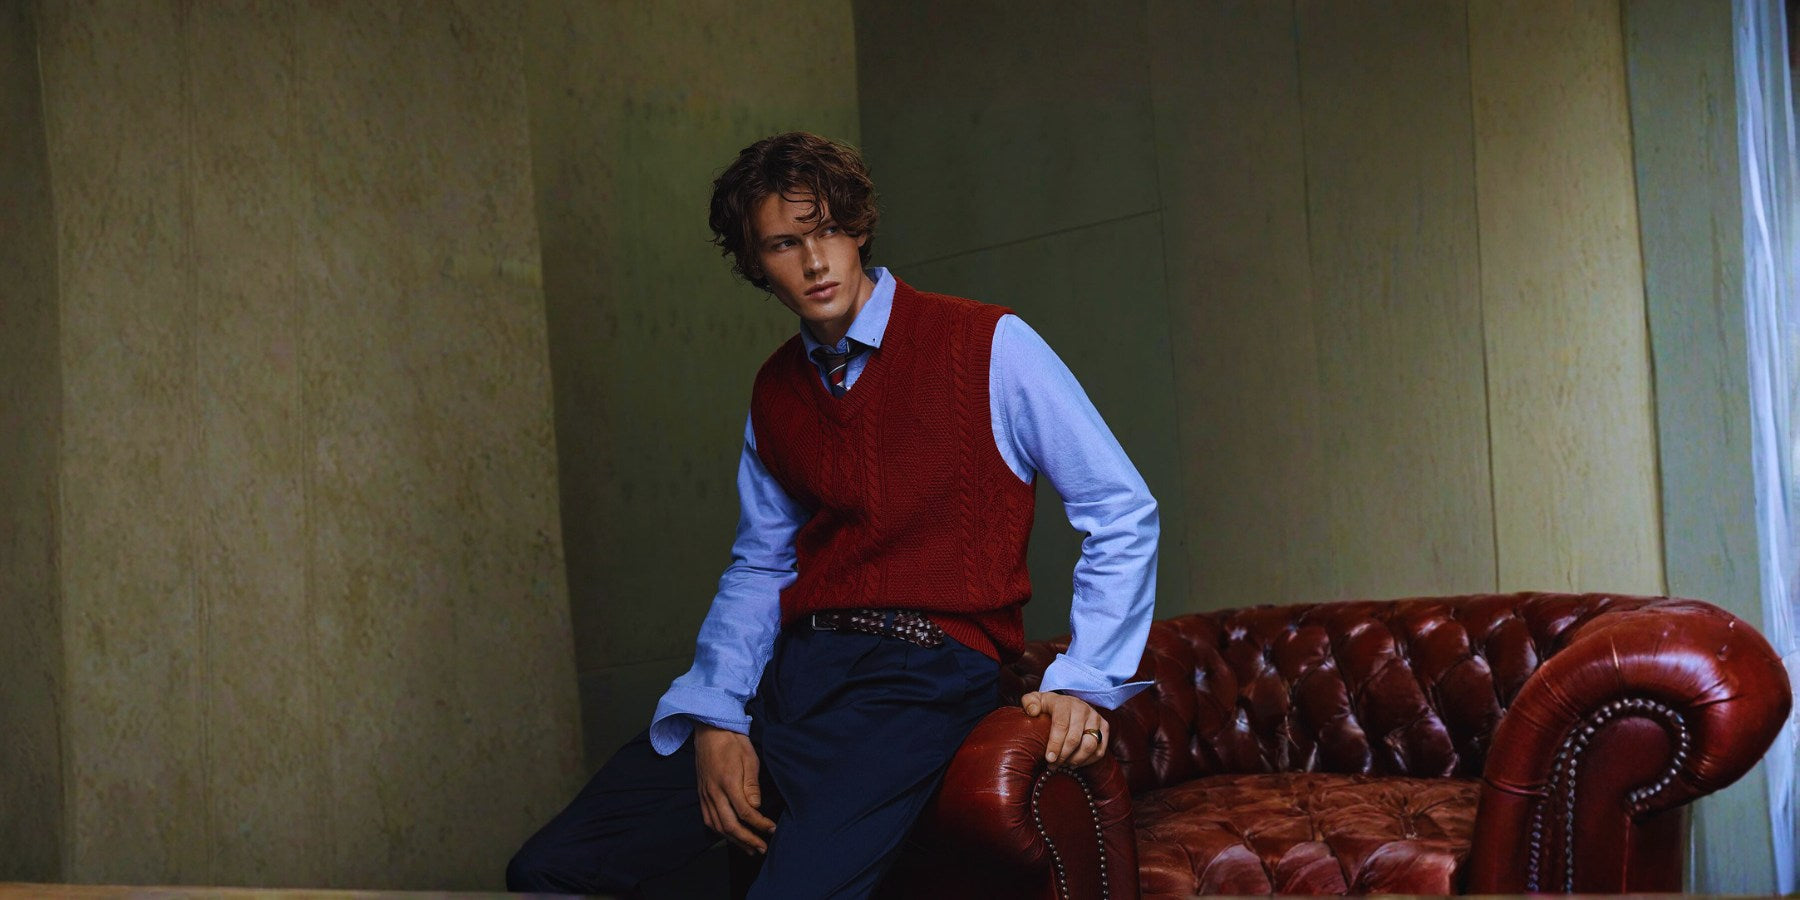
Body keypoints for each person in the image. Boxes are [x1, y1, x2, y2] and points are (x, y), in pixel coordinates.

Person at [506, 132, 1159, 898]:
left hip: (922, 678)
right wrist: (717, 714)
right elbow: (762, 565)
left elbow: (1119, 505)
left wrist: (1085, 679)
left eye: (828, 230)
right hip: (793, 676)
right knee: (547, 868)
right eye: (784, 244)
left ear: (858, 229)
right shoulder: (775, 390)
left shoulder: (987, 342)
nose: (815, 261)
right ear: (757, 265)